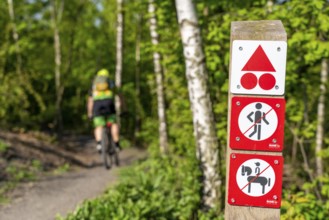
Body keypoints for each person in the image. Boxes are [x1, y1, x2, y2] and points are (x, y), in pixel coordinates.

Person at [87, 68, 121, 153]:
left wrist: (90, 113)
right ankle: (116, 144)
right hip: (109, 103)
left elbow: (90, 101)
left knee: (99, 126)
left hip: (97, 105)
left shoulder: (94, 84)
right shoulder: (110, 82)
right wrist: (123, 108)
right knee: (113, 123)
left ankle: (99, 144)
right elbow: (120, 95)